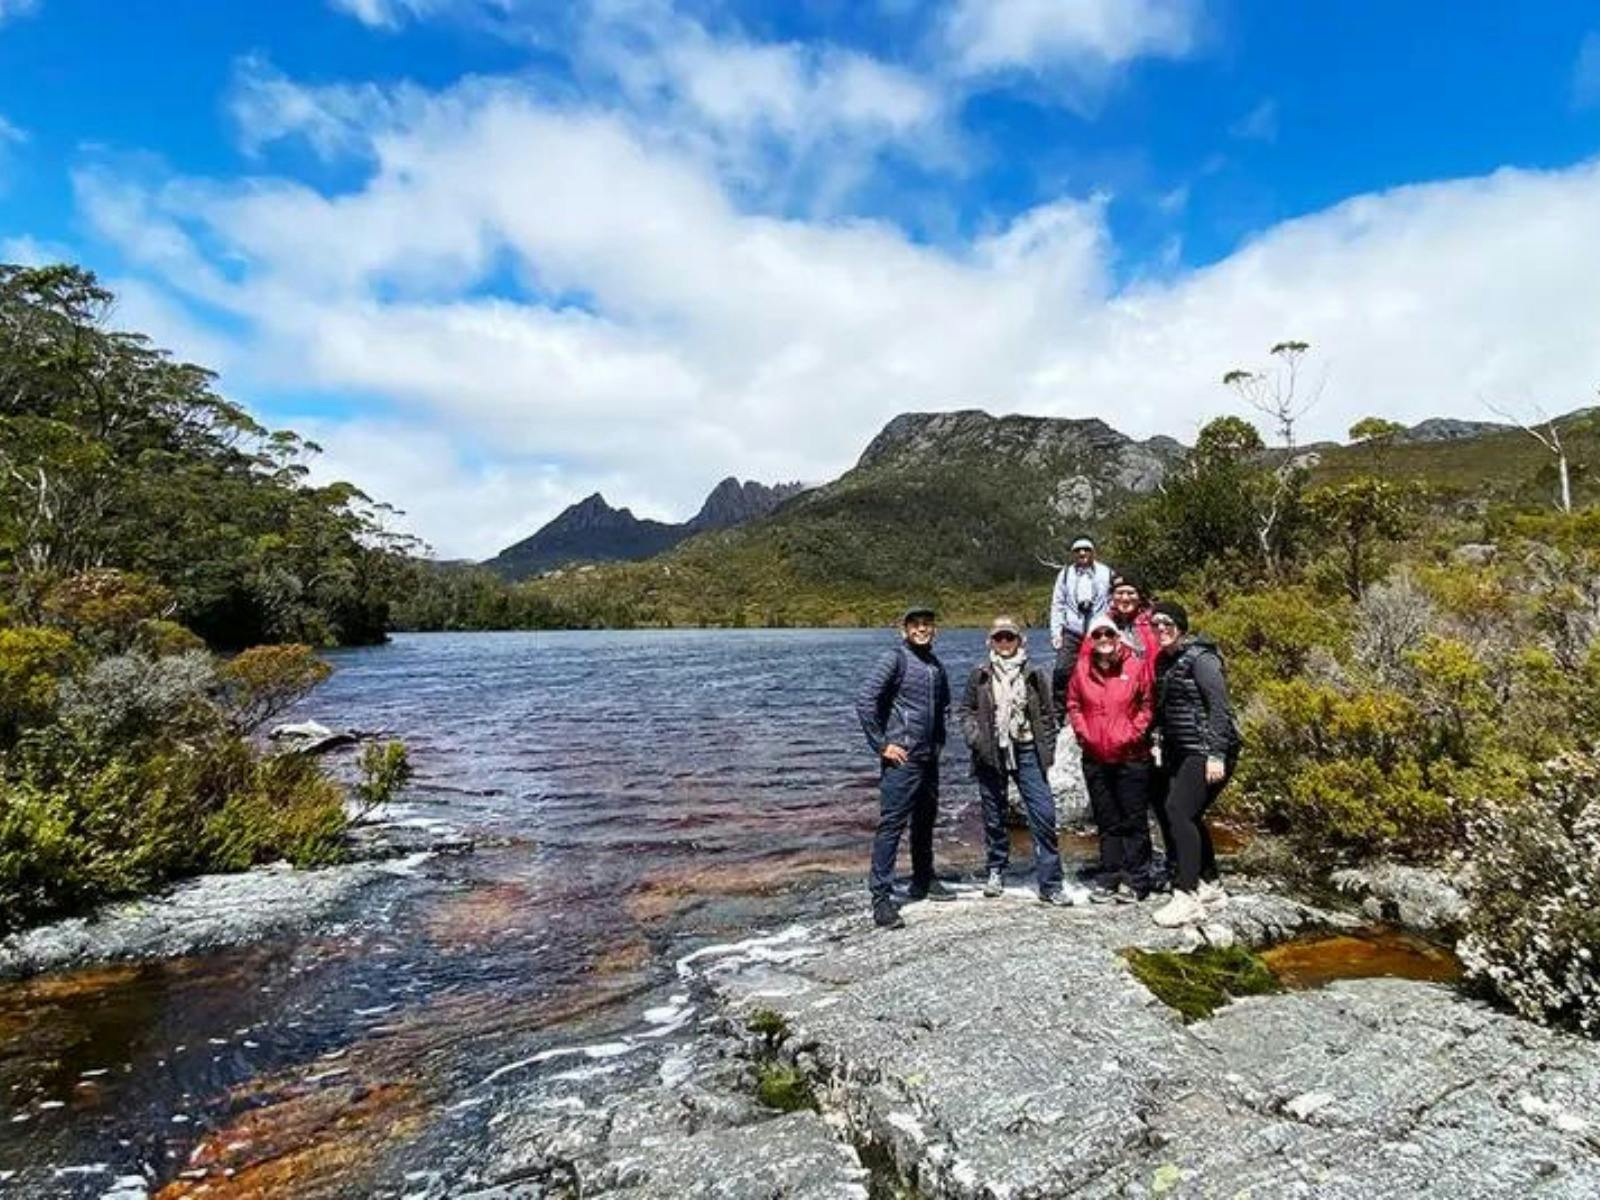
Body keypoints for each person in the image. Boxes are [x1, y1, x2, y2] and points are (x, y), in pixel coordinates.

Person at [957, 616, 1072, 905]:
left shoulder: (1034, 673)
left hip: (1027, 749)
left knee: (1043, 815)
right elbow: (966, 710)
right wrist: (976, 738)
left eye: (1010, 637)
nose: (1005, 643)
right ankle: (996, 869)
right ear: (990, 642)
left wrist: (1047, 745)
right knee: (994, 815)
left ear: (1021, 641)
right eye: (999, 638)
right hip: (991, 752)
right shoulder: (980, 674)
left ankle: (1050, 884)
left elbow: (1048, 714)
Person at [855, 604, 956, 930]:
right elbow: (865, 700)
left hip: (928, 758)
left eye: (928, 624)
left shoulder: (936, 665)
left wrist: (940, 742)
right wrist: (882, 745)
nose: (922, 629)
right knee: (892, 825)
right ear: (905, 630)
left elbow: (944, 707)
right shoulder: (895, 659)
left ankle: (923, 879)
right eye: (916, 625)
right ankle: (881, 897)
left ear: (934, 630)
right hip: (902, 759)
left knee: (925, 821)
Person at [1147, 602, 1241, 928]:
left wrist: (1216, 753)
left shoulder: (1202, 660)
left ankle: (1186, 897)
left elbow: (1220, 710)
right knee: (1189, 814)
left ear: (1181, 626)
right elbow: (1166, 709)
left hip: (1208, 751)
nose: (1160, 628)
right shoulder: (1163, 661)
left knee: (1178, 811)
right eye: (1155, 623)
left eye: (1167, 622)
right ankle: (1211, 885)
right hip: (1182, 751)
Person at [1067, 614, 1155, 903]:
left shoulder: (1136, 665)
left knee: (1134, 820)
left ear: (1117, 636)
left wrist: (1132, 734)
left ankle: (1136, 879)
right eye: (1097, 635)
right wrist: (1084, 735)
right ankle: (1109, 876)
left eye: (1109, 634)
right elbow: (1074, 704)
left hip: (1132, 756)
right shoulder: (1081, 669)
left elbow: (1147, 705)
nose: (1103, 639)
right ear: (1090, 640)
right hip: (1095, 756)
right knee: (1107, 820)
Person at [1050, 537, 1113, 718]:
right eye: (1078, 550)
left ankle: (1101, 709)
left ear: (1093, 552)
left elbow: (1111, 601)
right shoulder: (1064, 575)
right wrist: (1056, 633)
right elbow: (1057, 604)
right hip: (1072, 631)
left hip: (1098, 632)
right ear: (1073, 554)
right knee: (1062, 671)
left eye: (1086, 549)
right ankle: (1060, 714)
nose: (1082, 553)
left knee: (1101, 670)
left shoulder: (1106, 573)